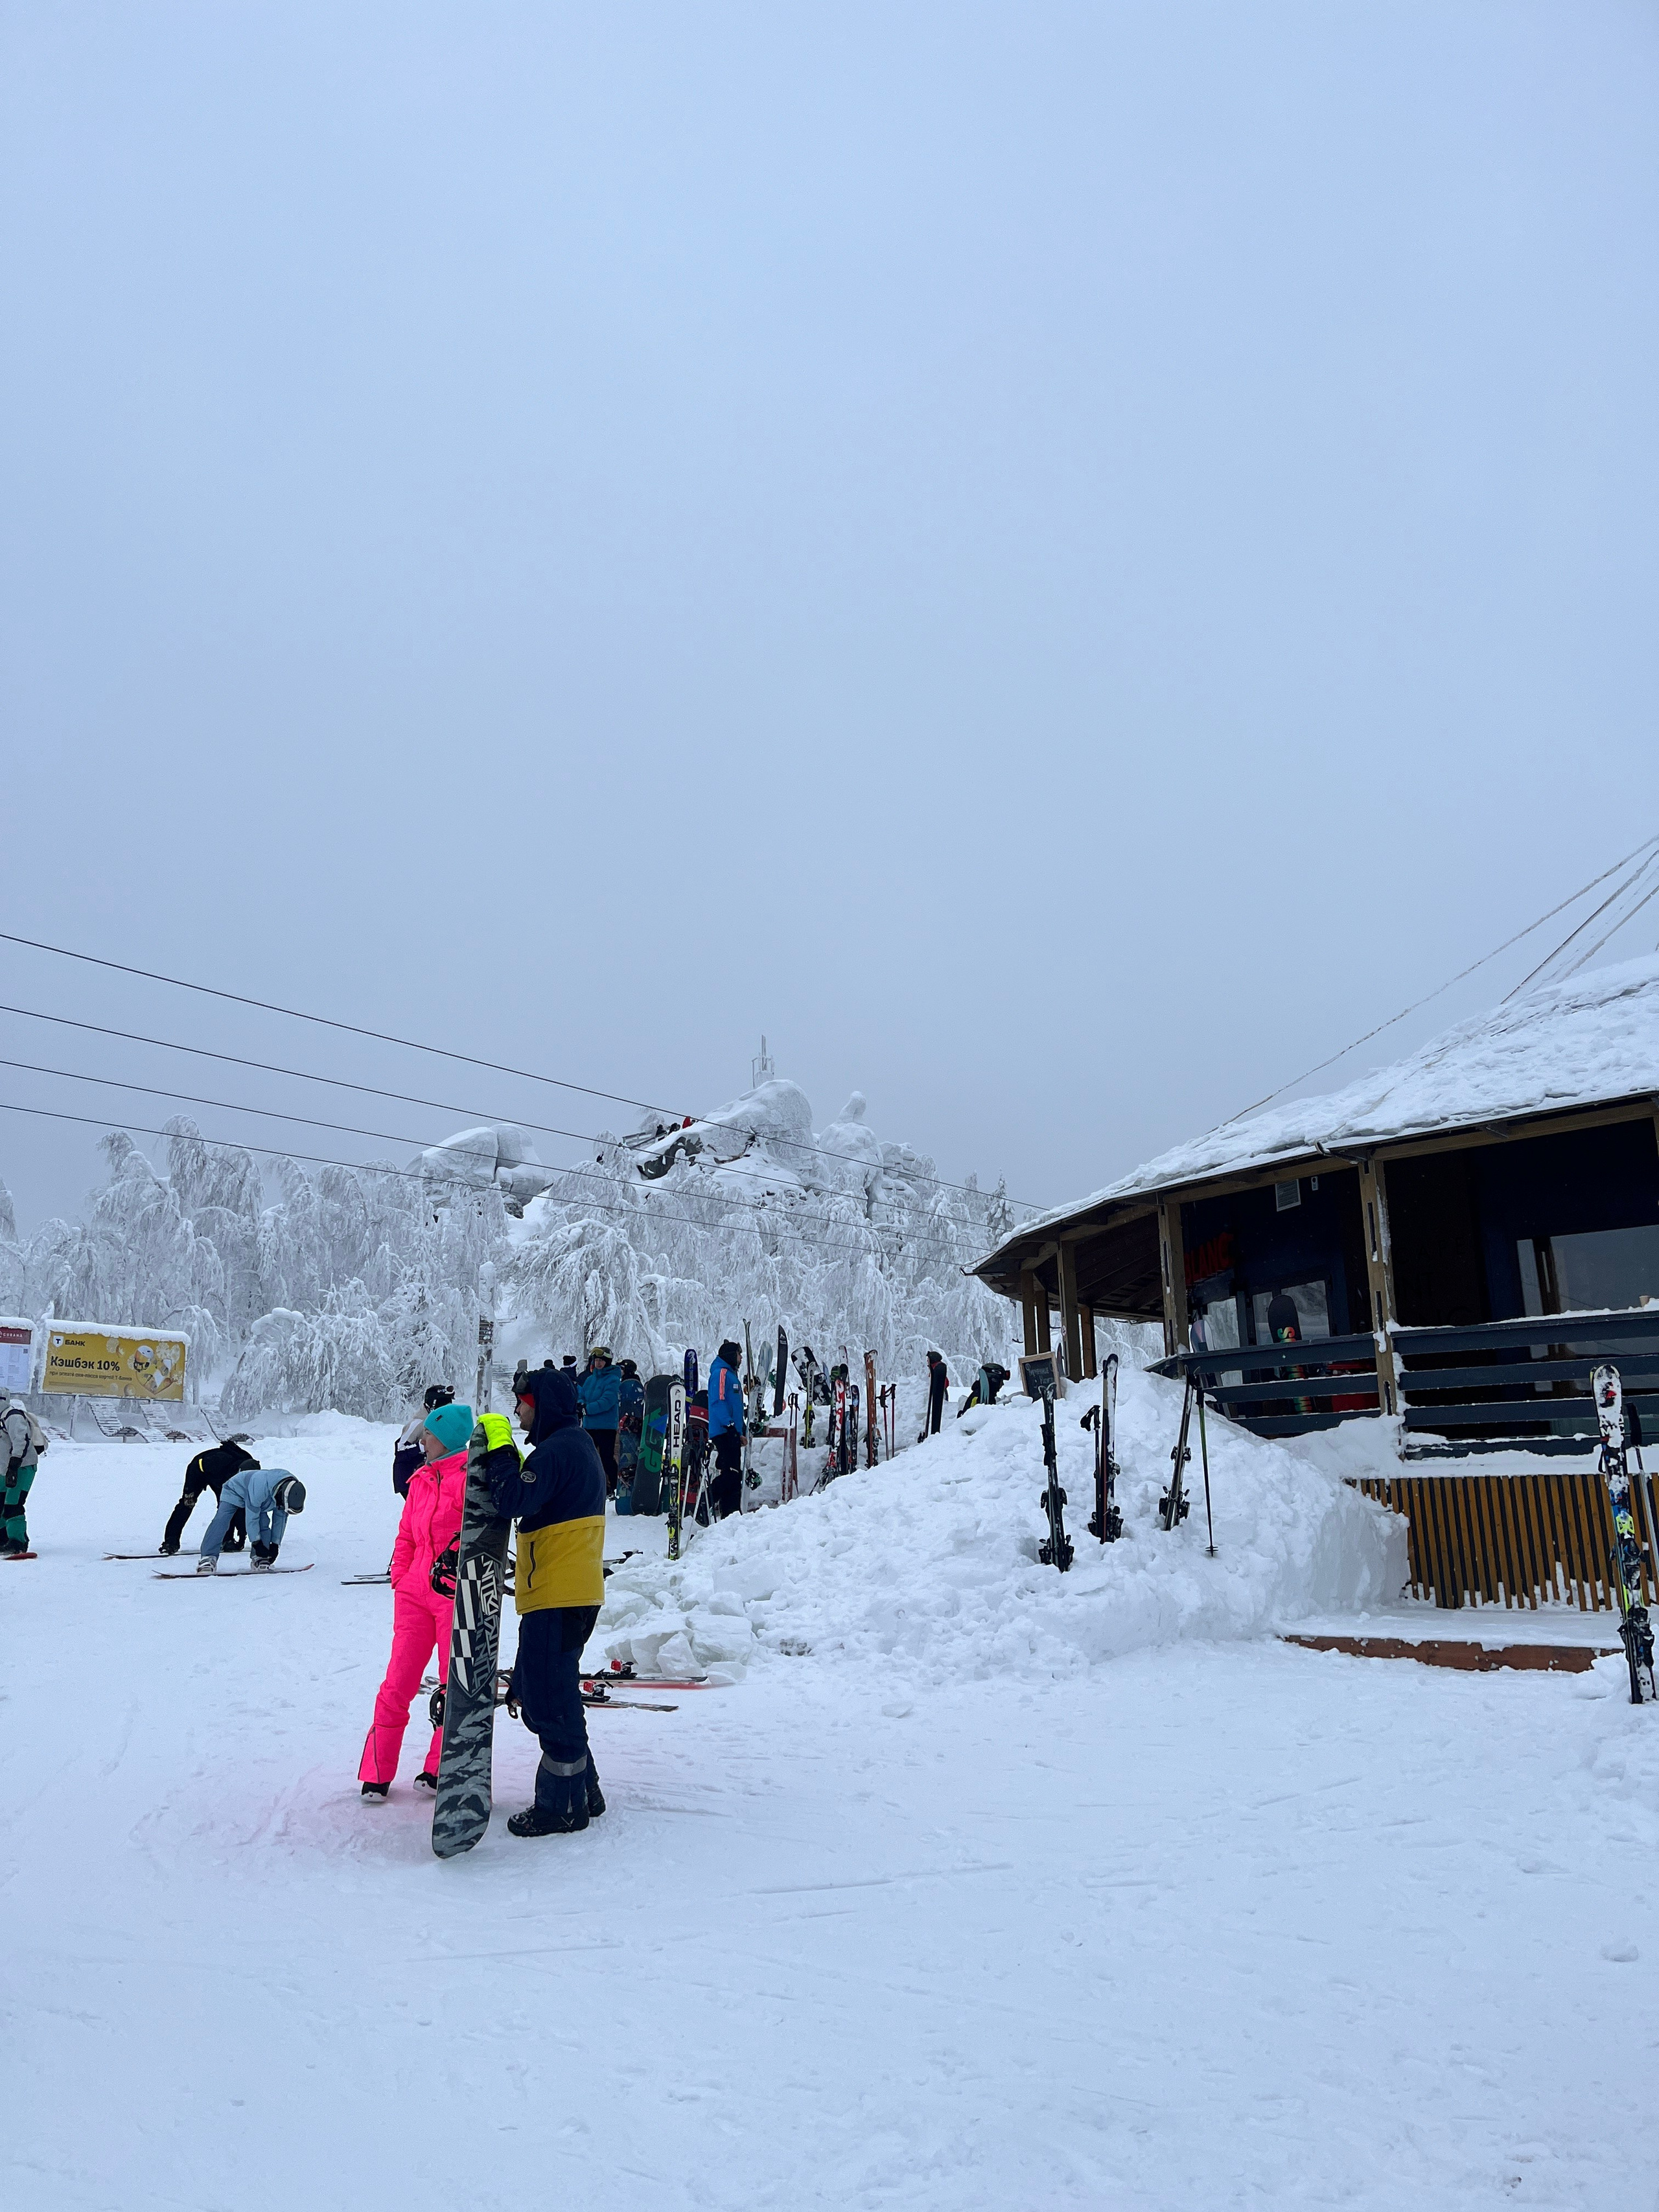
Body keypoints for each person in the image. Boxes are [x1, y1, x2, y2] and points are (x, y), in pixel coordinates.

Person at [489, 1365, 607, 1838]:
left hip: (559, 1596)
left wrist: (499, 1446)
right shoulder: (571, 1446)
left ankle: (560, 1805)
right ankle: (584, 1789)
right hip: (564, 1593)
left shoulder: (560, 1450)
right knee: (544, 1691)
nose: (516, 1409)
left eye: (522, 1401)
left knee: (545, 1700)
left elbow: (511, 1497)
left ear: (543, 1404)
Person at [358, 1399, 473, 1798]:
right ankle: (377, 1770)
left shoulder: (470, 1481)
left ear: (447, 1439)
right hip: (413, 1598)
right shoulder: (421, 1480)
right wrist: (402, 1578)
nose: (422, 1440)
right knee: (397, 1684)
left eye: (429, 1434)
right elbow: (406, 1535)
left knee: (450, 1685)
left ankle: (439, 1767)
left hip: (452, 1598)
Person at [159, 1434, 259, 1555]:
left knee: (228, 1506)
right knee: (187, 1504)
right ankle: (170, 1543)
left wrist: (242, 1536)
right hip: (198, 1470)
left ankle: (227, 1540)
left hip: (220, 1476)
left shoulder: (248, 1467)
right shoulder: (225, 1465)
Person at [196, 1466, 307, 1572]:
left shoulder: (291, 1489)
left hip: (265, 1497)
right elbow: (252, 1517)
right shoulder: (260, 1487)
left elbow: (280, 1520)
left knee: (263, 1523)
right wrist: (256, 1543)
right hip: (235, 1490)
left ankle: (260, 1557)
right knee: (221, 1521)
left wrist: (275, 1544)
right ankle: (208, 1558)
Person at [1, 1397, 48, 1560]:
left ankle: (17, 1542)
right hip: (3, 1469)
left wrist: (14, 1466)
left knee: (12, 1504)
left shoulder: (12, 1416)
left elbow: (21, 1441)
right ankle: (3, 1539)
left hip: (22, 1467)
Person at [393, 1384, 454, 1498]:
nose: (448, 1409)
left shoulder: (440, 1422)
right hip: (409, 1478)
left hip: (427, 1477)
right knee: (420, 1512)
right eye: (444, 1405)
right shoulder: (418, 1423)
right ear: (433, 1405)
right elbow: (400, 1449)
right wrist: (423, 1446)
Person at [706, 1339, 745, 1519]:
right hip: (723, 1431)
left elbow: (736, 1406)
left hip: (732, 1431)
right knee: (731, 1474)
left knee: (735, 1476)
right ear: (731, 1355)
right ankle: (705, 1501)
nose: (741, 1358)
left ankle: (731, 1516)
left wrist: (740, 1430)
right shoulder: (721, 1373)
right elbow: (718, 1401)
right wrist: (729, 1426)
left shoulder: (731, 1375)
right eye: (739, 1354)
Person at [576, 1346, 621, 1496]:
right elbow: (582, 1394)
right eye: (596, 1360)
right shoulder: (590, 1380)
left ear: (608, 1362)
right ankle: (592, 1487)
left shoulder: (613, 1380)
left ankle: (614, 1487)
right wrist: (581, 1404)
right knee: (588, 1458)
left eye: (602, 1360)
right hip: (590, 1426)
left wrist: (587, 1410)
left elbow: (607, 1401)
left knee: (606, 1458)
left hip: (606, 1427)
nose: (599, 1363)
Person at [615, 1358, 644, 1510]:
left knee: (628, 1454)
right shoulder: (625, 1385)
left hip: (629, 1428)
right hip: (624, 1428)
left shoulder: (630, 1385)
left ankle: (632, 1489)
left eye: (621, 1368)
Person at [922, 1351, 949, 1438]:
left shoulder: (938, 1369)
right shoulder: (934, 1369)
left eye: (928, 1360)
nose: (927, 1362)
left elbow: (945, 1383)